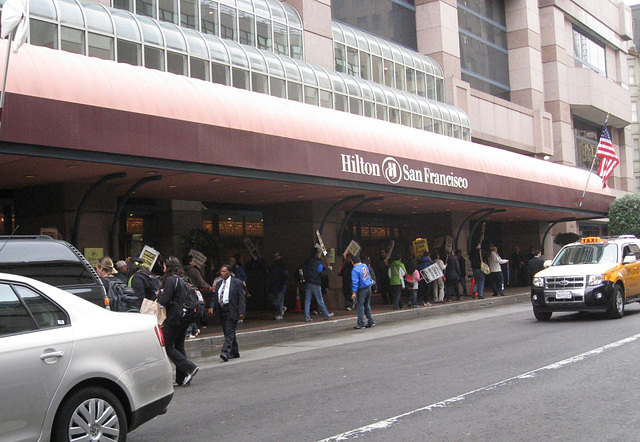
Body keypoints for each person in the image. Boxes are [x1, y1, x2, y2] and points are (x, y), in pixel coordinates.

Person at [158, 256, 199, 386]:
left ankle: (189, 367)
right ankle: (181, 379)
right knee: (179, 345)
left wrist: (159, 295)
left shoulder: (170, 280)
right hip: (185, 316)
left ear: (168, 267)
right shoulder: (182, 279)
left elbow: (165, 299)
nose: (163, 268)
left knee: (168, 345)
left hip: (175, 317)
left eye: (164, 265)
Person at [207, 264, 246, 362]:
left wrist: (241, 311)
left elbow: (241, 298)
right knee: (228, 331)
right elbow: (215, 297)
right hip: (222, 310)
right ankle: (235, 351)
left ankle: (225, 352)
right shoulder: (219, 283)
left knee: (229, 331)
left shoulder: (237, 283)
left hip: (232, 310)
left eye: (224, 271)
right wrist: (211, 307)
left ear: (229, 272)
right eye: (221, 272)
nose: (222, 273)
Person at [301, 246, 335, 322]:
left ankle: (307, 316)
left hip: (308, 282)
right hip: (315, 283)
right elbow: (321, 273)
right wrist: (329, 270)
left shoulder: (307, 262)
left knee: (307, 300)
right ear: (316, 254)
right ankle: (326, 314)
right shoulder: (318, 263)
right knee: (320, 300)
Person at [183, 255, 211, 338]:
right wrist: (208, 287)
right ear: (190, 262)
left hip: (185, 293)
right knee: (197, 309)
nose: (194, 262)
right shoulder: (194, 271)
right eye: (193, 261)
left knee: (189, 311)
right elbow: (201, 282)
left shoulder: (182, 271)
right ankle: (200, 325)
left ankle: (194, 329)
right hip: (193, 293)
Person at [350, 254, 375, 329]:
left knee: (360, 306)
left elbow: (355, 282)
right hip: (368, 287)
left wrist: (354, 292)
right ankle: (371, 320)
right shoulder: (364, 266)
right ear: (360, 260)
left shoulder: (355, 270)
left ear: (352, 262)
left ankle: (361, 323)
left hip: (362, 289)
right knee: (367, 305)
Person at [268, 252, 289, 320]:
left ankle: (280, 313)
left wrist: (283, 284)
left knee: (279, 299)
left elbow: (285, 275)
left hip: (279, 284)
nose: (275, 257)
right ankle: (281, 308)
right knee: (272, 299)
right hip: (273, 284)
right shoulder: (273, 265)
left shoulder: (282, 265)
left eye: (277, 256)